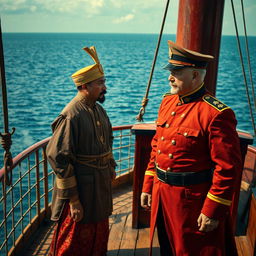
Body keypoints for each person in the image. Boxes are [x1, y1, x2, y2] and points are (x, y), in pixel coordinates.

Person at [140, 40, 242, 256]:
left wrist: (212, 210)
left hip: (192, 203)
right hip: (162, 196)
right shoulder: (167, 102)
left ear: (195, 75)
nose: (170, 76)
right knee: (167, 247)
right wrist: (148, 185)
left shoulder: (216, 114)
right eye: (171, 70)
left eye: (176, 72)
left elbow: (227, 168)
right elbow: (157, 146)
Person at [46, 46, 116, 256]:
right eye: (100, 83)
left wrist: (110, 165)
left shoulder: (98, 109)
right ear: (84, 86)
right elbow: (58, 158)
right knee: (74, 240)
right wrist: (74, 200)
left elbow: (108, 142)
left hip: (99, 186)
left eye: (104, 82)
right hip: (82, 191)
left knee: (97, 236)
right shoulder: (71, 115)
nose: (105, 87)